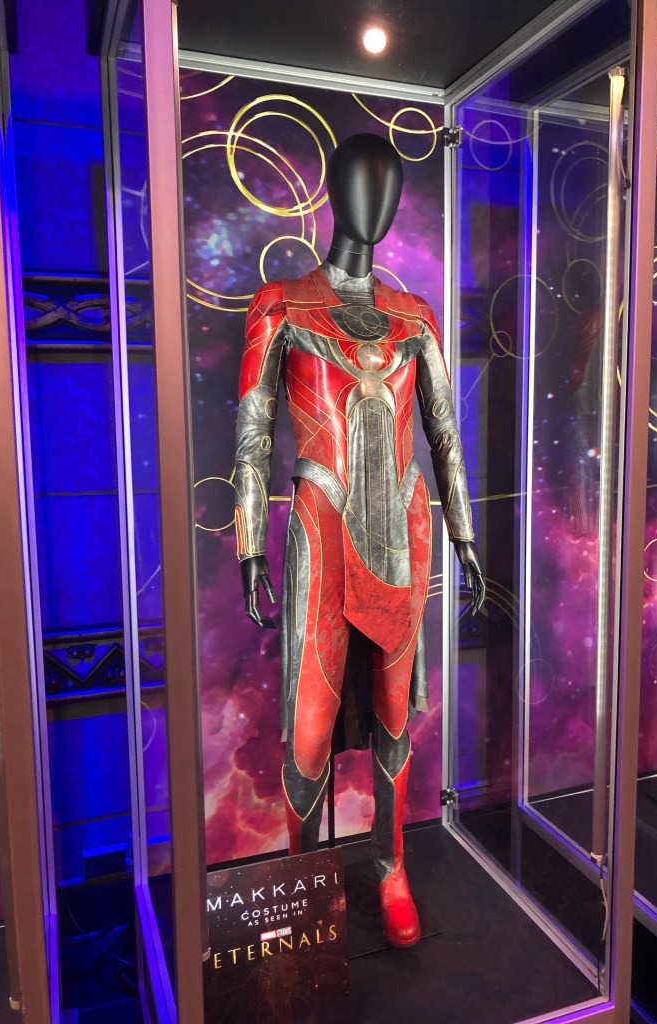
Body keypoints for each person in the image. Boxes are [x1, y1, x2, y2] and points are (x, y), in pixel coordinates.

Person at [234, 133, 485, 946]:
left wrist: (463, 533)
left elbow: (443, 432)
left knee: (393, 709)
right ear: (335, 192)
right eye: (362, 184)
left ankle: (391, 865)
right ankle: (300, 880)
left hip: (403, 532)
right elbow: (252, 434)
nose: (376, 203)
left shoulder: (415, 316)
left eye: (389, 187)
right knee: (310, 718)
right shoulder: (282, 305)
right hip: (321, 526)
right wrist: (249, 542)